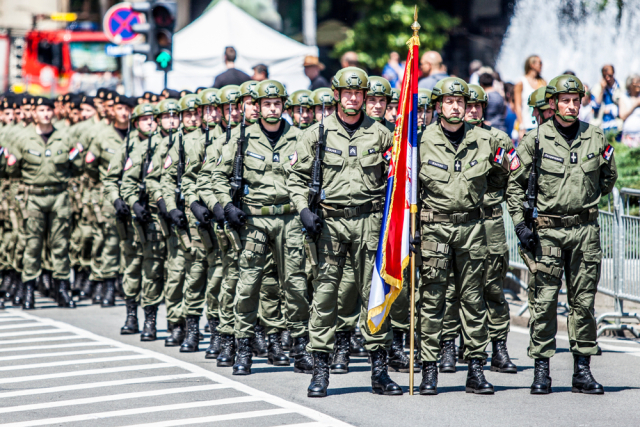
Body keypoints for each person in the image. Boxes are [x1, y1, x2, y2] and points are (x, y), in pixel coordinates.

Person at [288, 67, 402, 398]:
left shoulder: (381, 134)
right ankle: (320, 371)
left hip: (369, 223)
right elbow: (296, 177)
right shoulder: (316, 134)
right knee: (325, 297)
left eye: (359, 94)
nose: (353, 98)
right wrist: (303, 210)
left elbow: (398, 179)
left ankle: (379, 372)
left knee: (375, 295)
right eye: (347, 93)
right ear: (336, 95)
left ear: (365, 98)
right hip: (329, 224)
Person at [508, 74, 617, 395]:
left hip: (585, 232)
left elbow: (607, 179)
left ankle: (582, 371)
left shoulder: (595, 137)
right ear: (553, 104)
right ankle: (541, 371)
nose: (571, 106)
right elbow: (514, 183)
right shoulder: (536, 139)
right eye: (565, 100)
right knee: (543, 302)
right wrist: (519, 224)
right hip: (549, 233)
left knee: (583, 303)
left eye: (576, 100)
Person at [414, 77, 509, 396]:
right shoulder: (420, 141)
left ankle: (476, 370)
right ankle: (429, 369)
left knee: (473, 300)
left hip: (472, 229)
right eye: (449, 102)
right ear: (439, 106)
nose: (456, 107)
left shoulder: (485, 140)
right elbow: (410, 189)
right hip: (435, 229)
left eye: (461, 102)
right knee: (432, 300)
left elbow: (500, 178)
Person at [439, 83, 516, 376]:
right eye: (465, 105)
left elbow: (515, 182)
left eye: (476, 106)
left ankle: (498, 347)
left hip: (489, 222)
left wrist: (522, 223)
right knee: (450, 289)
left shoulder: (498, 140)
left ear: (483, 109)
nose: (470, 110)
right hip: (456, 222)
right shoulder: (445, 138)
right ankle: (449, 344)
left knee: (492, 287)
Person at [5, 96, 84, 309]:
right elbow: (12, 168)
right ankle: (29, 288)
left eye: (49, 110)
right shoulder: (23, 138)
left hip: (59, 195)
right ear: (35, 113)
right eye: (41, 110)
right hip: (34, 196)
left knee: (60, 244)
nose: (46, 114)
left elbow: (77, 164)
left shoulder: (65, 137)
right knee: (32, 243)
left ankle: (61, 288)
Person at [514, 55, 546, 138]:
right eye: (540, 63)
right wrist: (521, 126)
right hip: (526, 125)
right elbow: (517, 105)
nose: (541, 65)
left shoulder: (543, 82)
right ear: (532, 64)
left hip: (541, 125)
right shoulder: (521, 82)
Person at [590, 65, 622, 136]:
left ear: (614, 73)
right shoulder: (596, 88)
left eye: (610, 75)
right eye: (605, 76)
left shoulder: (621, 86)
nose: (607, 78)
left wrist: (610, 110)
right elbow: (595, 107)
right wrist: (602, 90)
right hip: (602, 126)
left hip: (618, 125)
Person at [619, 74, 640, 148]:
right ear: (630, 84)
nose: (639, 84)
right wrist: (635, 105)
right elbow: (622, 116)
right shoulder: (624, 97)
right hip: (628, 136)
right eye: (637, 82)